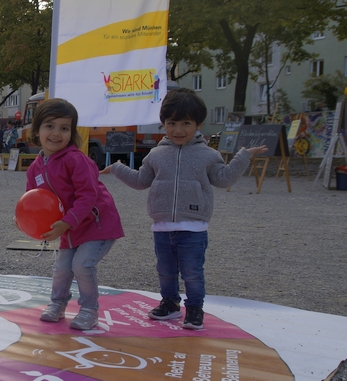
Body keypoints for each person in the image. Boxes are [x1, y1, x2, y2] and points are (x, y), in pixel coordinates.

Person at [101, 88, 266, 330]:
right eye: (172, 123)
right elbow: (140, 181)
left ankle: (195, 309)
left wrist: (243, 156)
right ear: (164, 124)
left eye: (186, 123)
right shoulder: (155, 155)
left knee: (192, 272)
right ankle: (169, 304)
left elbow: (224, 179)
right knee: (165, 271)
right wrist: (117, 168)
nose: (178, 130)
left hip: (194, 227)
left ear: (198, 124)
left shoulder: (208, 155)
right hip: (162, 227)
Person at [25, 98, 124, 330]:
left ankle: (90, 310)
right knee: (61, 267)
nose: (56, 133)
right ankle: (58, 304)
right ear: (37, 130)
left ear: (72, 133)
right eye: (50, 126)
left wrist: (66, 223)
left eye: (64, 128)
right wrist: (24, 220)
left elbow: (87, 197)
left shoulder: (77, 160)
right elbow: (32, 200)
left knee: (82, 265)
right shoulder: (35, 167)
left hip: (98, 225)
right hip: (70, 228)